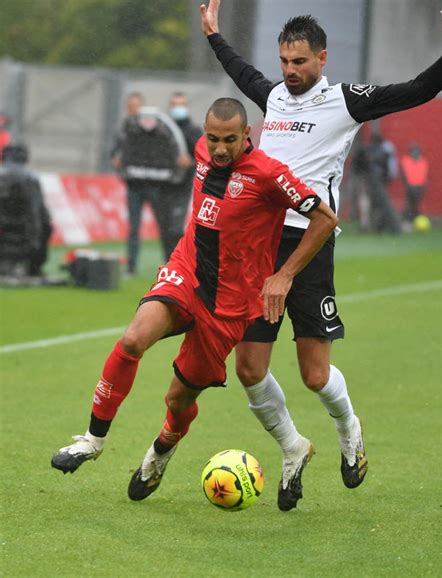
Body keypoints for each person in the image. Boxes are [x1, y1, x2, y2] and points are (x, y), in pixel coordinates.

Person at [200, 0, 442, 510]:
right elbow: (243, 73)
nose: (289, 71)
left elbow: (418, 90)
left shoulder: (346, 100)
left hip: (309, 244)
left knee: (315, 375)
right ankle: (292, 449)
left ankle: (349, 428)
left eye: (299, 62)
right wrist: (214, 34)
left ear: (322, 59)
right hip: (260, 245)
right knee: (250, 370)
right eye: (284, 61)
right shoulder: (275, 96)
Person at [51, 98, 338, 505]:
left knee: (178, 400)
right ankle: (93, 441)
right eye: (213, 139)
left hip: (230, 305)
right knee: (134, 338)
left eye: (230, 141)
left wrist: (284, 275)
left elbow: (326, 218)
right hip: (187, 272)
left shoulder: (270, 175)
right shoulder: (201, 151)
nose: (220, 149)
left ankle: (162, 449)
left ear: (247, 136)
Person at [111, 92, 192, 274]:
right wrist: (116, 160)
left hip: (157, 187)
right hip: (134, 186)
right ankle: (131, 267)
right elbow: (115, 152)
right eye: (130, 107)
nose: (133, 110)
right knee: (134, 228)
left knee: (165, 227)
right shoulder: (125, 129)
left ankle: (170, 266)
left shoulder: (158, 127)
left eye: (136, 107)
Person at [0, 144, 52, 277]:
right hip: (23, 239)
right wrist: (34, 244)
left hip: (5, 234)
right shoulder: (30, 179)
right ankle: (34, 269)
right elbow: (40, 217)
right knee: (47, 226)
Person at [168, 91, 204, 225]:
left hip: (185, 182)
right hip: (163, 183)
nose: (178, 108)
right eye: (174, 105)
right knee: (165, 224)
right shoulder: (163, 128)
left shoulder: (193, 130)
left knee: (176, 224)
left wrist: (190, 161)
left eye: (181, 105)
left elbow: (202, 156)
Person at [366, 132, 401, 234]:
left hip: (377, 180)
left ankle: (394, 227)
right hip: (382, 179)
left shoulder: (376, 151)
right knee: (379, 204)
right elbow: (389, 168)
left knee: (383, 204)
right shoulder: (386, 150)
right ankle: (380, 227)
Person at [400, 143, 430, 225]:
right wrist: (407, 185)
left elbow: (425, 175)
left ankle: (415, 222)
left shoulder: (423, 162)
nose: (415, 154)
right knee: (409, 206)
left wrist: (423, 186)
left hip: (419, 187)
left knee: (416, 206)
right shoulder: (406, 160)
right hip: (410, 187)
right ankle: (407, 222)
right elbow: (403, 174)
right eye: (413, 151)